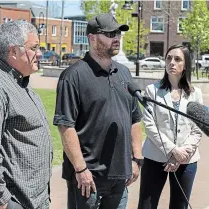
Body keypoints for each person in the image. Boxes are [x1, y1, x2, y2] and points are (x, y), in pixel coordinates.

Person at [53, 13, 143, 209]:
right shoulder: (73, 76)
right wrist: (80, 168)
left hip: (120, 176)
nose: (116, 38)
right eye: (110, 34)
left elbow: (135, 118)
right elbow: (65, 125)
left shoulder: (125, 73)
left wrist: (137, 159)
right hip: (88, 179)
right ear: (92, 38)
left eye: (118, 33)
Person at [0, 20, 53, 209]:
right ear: (14, 51)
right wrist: (4, 202)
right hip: (9, 203)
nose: (39, 53)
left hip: (32, 200)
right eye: (34, 47)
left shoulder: (19, 83)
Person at [138, 44, 203, 209]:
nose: (172, 62)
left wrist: (181, 154)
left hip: (186, 160)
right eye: (169, 58)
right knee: (146, 205)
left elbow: (197, 129)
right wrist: (172, 150)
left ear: (185, 65)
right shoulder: (152, 90)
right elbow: (149, 125)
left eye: (177, 59)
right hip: (155, 157)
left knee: (179, 206)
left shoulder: (195, 94)